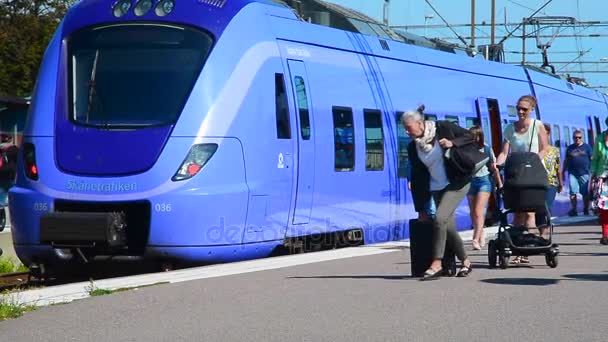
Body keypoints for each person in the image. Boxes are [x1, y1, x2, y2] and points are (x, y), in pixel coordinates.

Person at [402, 109, 475, 280]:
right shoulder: (413, 147)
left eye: (408, 127)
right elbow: (419, 177)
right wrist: (421, 208)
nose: (406, 131)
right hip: (436, 187)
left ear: (420, 124)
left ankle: (436, 263)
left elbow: (471, 137)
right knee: (448, 227)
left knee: (440, 218)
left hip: (457, 182)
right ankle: (466, 262)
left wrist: (452, 143)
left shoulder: (443, 128)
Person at [495, 95, 548, 264]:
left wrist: (533, 161)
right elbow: (505, 151)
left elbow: (545, 148)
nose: (520, 111)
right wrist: (498, 163)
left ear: (532, 109)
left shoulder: (537, 125)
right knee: (517, 212)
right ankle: (517, 247)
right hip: (516, 174)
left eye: (524, 109)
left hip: (533, 173)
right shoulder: (510, 128)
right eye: (518, 108)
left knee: (529, 211)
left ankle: (526, 249)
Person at [467, 125, 502, 250]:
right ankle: (481, 232)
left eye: (474, 136)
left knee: (478, 210)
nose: (471, 139)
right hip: (470, 181)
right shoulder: (467, 148)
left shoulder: (486, 149)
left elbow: (493, 167)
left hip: (484, 181)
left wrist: (499, 183)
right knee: (472, 212)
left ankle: (475, 238)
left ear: (479, 136)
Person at [535, 124, 563, 235]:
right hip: (536, 183)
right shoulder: (534, 149)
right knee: (539, 207)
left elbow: (558, 167)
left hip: (551, 182)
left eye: (544, 133)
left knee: (547, 205)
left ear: (548, 134)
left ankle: (545, 230)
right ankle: (542, 228)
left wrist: (560, 183)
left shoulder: (555, 151)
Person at [563, 129, 592, 216]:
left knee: (585, 193)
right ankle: (574, 209)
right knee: (572, 192)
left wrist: (593, 170)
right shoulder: (570, 148)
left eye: (579, 137)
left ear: (582, 138)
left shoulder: (587, 147)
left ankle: (586, 209)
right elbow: (566, 160)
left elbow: (592, 158)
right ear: (573, 138)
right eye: (576, 138)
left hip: (584, 172)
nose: (578, 139)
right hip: (573, 173)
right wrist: (563, 171)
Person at [590, 118, 608, 245]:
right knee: (603, 208)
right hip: (603, 178)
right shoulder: (600, 139)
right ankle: (606, 235)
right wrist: (594, 177)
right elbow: (595, 159)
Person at [0, 134, 18, 232]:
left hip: (1, 178)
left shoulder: (1, 150)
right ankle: (15, 221)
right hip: (12, 178)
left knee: (1, 201)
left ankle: (1, 220)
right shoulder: (14, 149)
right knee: (14, 200)